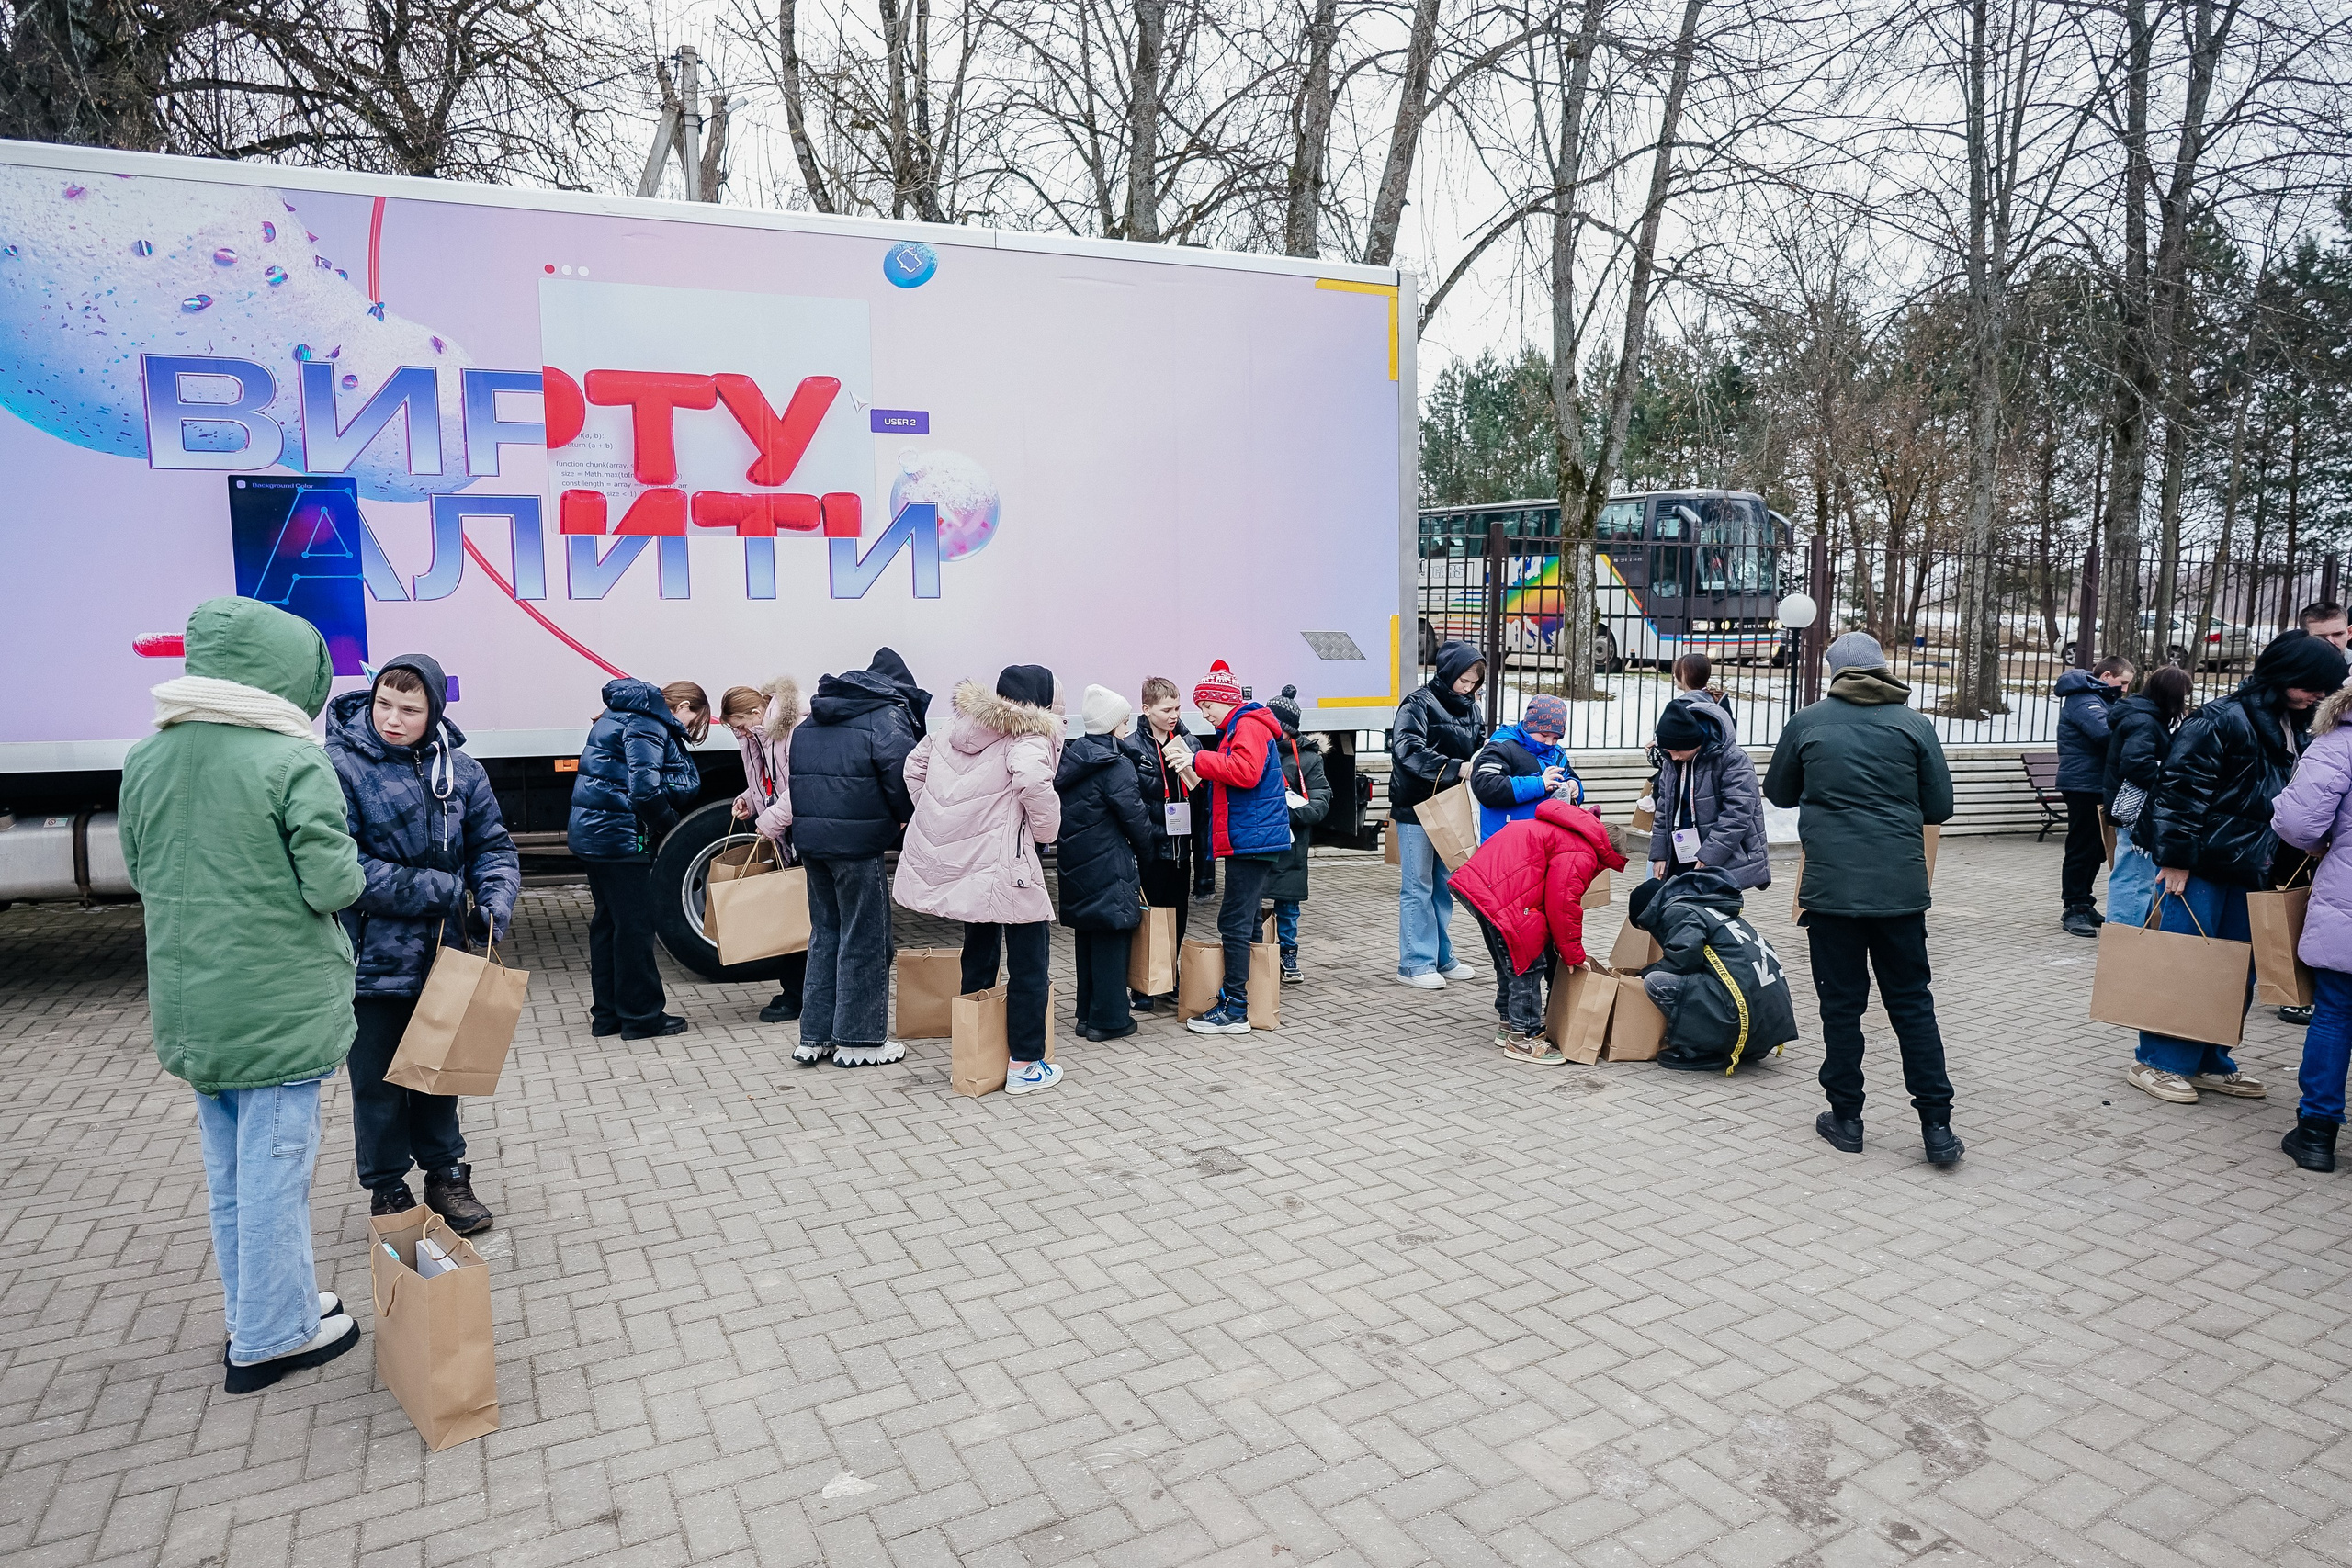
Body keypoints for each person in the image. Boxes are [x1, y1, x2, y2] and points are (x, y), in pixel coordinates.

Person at [119, 596, 368, 1393]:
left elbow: (139, 867)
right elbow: (333, 882)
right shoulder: (292, 761)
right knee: (276, 1176)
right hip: (278, 1005)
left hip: (195, 1008)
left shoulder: (146, 757)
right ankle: (270, 1335)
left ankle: (263, 1305)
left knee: (231, 1171)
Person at [325, 655, 517, 1234]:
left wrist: (494, 901)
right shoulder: (337, 767)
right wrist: (439, 888)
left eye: (410, 709)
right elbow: (342, 865)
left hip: (445, 956)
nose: (393, 718)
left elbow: (493, 847)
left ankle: (447, 1176)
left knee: (440, 1073)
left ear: (433, 711)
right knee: (379, 1080)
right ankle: (387, 1188)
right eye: (385, 703)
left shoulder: (462, 771)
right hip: (370, 958)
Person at [1762, 632, 1963, 1167]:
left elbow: (1779, 793)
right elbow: (1939, 806)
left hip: (1831, 892)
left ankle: (1846, 1118)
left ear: (1834, 671)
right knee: (1913, 1004)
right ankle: (1937, 1128)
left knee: (1842, 1006)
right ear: (1880, 668)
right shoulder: (1914, 724)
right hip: (1899, 891)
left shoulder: (1807, 722)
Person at [2129, 631, 2348, 1105]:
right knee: (2187, 963)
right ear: (2285, 675)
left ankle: (2210, 1058)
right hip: (2204, 863)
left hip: (2255, 865)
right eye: (2313, 685)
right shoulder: (2220, 719)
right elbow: (2180, 791)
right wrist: (2175, 859)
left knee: (2237, 969)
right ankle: (2159, 1060)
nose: (2320, 696)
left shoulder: (2300, 724)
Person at [896, 667, 1066, 1090]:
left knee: (979, 951)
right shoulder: (1030, 735)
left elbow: (913, 769)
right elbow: (1031, 778)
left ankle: (974, 1044)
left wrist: (946, 822)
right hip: (1010, 863)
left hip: (974, 863)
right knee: (1030, 959)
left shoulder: (956, 727)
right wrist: (1045, 832)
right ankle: (1026, 1063)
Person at [788, 649, 923, 1066]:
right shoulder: (885, 716)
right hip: (857, 845)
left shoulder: (813, 718)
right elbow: (903, 778)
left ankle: (815, 1036)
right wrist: (903, 820)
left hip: (812, 843)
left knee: (825, 934)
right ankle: (860, 1041)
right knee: (865, 939)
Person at [568, 679, 707, 1040]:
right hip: (622, 838)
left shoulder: (616, 716)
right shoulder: (647, 724)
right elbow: (644, 789)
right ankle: (641, 1016)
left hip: (594, 834)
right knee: (634, 928)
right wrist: (669, 827)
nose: (688, 727)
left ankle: (607, 1015)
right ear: (684, 706)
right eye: (693, 719)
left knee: (608, 925)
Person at [1164, 660, 1292, 1034]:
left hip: (1251, 841)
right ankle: (1247, 997)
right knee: (1247, 919)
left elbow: (1246, 772)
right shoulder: (1244, 725)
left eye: (1207, 704)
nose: (1203, 713)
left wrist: (1197, 760)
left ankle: (1235, 1008)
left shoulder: (1247, 725)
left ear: (1225, 700)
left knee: (1233, 921)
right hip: (1251, 839)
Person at [1448, 799, 1625, 1062]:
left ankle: (1508, 1022)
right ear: (1607, 851)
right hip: (1504, 897)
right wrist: (1574, 955)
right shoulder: (1582, 852)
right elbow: (1562, 905)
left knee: (1507, 961)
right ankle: (1523, 1037)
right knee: (1527, 963)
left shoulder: (1565, 831)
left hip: (1480, 887)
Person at [2271, 683, 2352, 1171]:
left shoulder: (2339, 741)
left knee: (2336, 1014)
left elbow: (2298, 823)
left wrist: (2323, 844)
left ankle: (2317, 1132)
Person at [1056, 685, 1159, 1040]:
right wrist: (1149, 854)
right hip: (1110, 862)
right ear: (1113, 725)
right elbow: (1136, 820)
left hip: (1077, 863)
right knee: (1113, 938)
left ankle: (1085, 1015)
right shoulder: (1116, 765)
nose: (1127, 728)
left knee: (1088, 937)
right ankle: (1110, 1019)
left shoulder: (1072, 760)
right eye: (1124, 721)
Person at [1628, 871, 1798, 1073]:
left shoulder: (1677, 911)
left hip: (1742, 1015)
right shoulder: (1706, 906)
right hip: (1767, 1021)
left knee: (1656, 981)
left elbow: (1685, 959)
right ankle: (1743, 1045)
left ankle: (1704, 1050)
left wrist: (1647, 971)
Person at [1390, 639, 1487, 988]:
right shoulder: (1417, 703)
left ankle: (1441, 955)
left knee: (1444, 885)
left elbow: (1480, 744)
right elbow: (1407, 750)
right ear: (1448, 673)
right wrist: (1456, 768)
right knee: (1417, 885)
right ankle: (1415, 963)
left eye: (1474, 681)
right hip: (1417, 807)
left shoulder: (1472, 707)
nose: (1469, 686)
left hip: (1452, 805)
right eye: (1464, 679)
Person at [720, 679, 806, 1024]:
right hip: (791, 830)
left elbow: (800, 783)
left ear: (757, 712)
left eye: (740, 725)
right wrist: (749, 800)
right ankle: (797, 990)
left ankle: (799, 993)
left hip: (799, 831)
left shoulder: (790, 730)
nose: (740, 732)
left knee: (801, 916)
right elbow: (770, 783)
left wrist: (770, 819)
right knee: (796, 912)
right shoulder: (764, 733)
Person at [1125, 675, 1206, 1010]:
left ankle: (1169, 979)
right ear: (1146, 710)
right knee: (1149, 918)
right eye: (1166, 709)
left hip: (1180, 849)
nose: (1173, 715)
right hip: (1151, 850)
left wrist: (1192, 772)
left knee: (1178, 916)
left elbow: (1203, 792)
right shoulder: (1133, 746)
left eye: (1177, 708)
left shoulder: (1189, 742)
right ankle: (1143, 986)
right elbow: (1131, 799)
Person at [2102, 665, 2194, 931]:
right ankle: (2124, 938)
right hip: (2137, 812)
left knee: (2134, 874)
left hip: (2130, 808)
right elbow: (2137, 764)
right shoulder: (2144, 720)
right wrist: (2168, 783)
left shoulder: (2140, 715)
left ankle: (2124, 933)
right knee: (2134, 877)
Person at [1647, 695, 1769, 889]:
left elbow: (1737, 814)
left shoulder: (1733, 760)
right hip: (1681, 850)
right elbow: (1664, 809)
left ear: (1694, 743)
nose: (1673, 757)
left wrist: (1710, 855)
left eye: (1677, 751)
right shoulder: (1672, 759)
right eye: (1668, 752)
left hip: (1719, 856)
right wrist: (1660, 854)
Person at [2055, 656, 2134, 937]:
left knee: (2097, 848)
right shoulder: (2083, 699)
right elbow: (2105, 733)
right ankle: (2074, 907)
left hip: (2096, 783)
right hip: (2082, 784)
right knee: (2082, 846)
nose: (2125, 689)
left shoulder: (2101, 699)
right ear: (2107, 677)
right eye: (2123, 682)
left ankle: (2084, 902)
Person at [1265, 685, 1332, 983]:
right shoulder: (1254, 749)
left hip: (1291, 848)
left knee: (1288, 908)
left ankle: (1288, 955)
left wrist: (1280, 810)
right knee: (1253, 905)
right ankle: (1258, 955)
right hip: (1258, 843)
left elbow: (1318, 806)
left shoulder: (1308, 759)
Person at [1469, 694, 1583, 841]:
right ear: (1530, 726)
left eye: (1556, 738)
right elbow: (1485, 785)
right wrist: (1539, 784)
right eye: (1544, 735)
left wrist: (1575, 787)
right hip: (1505, 842)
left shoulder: (1557, 753)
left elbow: (1570, 776)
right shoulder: (1502, 746)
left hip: (1544, 839)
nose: (1549, 742)